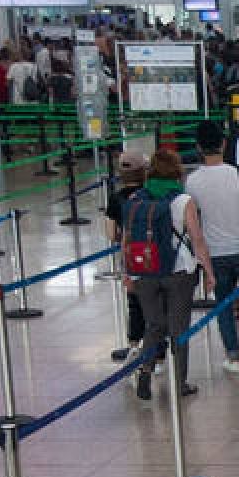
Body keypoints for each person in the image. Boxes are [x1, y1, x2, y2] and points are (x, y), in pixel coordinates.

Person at [128, 150, 216, 401]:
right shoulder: (183, 200)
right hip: (179, 272)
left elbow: (127, 239)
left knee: (154, 325)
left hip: (145, 270)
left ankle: (145, 370)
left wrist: (128, 273)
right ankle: (179, 382)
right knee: (179, 329)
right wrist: (209, 271)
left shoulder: (136, 199)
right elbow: (197, 239)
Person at [183, 120, 239, 375]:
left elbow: (191, 221)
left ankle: (232, 354)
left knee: (223, 303)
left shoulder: (192, 182)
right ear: (223, 143)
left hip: (213, 252)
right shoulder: (238, 174)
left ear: (198, 147)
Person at [103, 151, 149, 354]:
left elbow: (111, 233)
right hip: (153, 249)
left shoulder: (115, 199)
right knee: (155, 299)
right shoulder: (150, 194)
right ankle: (157, 349)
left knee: (134, 300)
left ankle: (134, 345)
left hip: (131, 251)